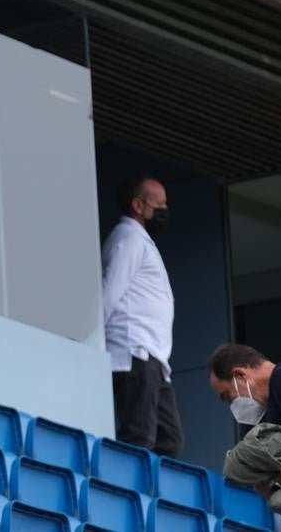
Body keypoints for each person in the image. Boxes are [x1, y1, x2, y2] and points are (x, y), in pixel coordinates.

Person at [101, 174, 182, 457]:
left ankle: (159, 500)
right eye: (158, 204)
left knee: (169, 440)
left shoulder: (141, 240)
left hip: (154, 355)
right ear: (138, 204)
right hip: (135, 350)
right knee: (140, 435)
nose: (164, 210)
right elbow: (109, 292)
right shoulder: (128, 239)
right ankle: (131, 497)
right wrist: (93, 340)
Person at [209, 344, 281, 493]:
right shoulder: (257, 420)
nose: (231, 405)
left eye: (228, 397)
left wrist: (279, 482)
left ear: (240, 375)